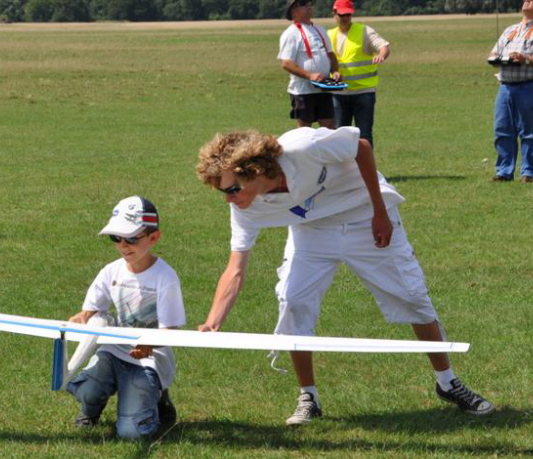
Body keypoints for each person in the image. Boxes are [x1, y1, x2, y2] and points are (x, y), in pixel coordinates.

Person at [195, 127, 493, 425]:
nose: (229, 199)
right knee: (293, 301)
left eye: (232, 189)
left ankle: (447, 382)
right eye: (222, 192)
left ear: (255, 170)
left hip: (366, 215)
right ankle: (308, 396)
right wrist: (212, 323)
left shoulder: (303, 147)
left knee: (412, 298)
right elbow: (235, 268)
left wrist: (380, 211)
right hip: (313, 231)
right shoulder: (246, 209)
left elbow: (361, 147)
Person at [66, 196, 186, 439]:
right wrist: (80, 319)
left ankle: (159, 398)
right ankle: (91, 409)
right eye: (116, 238)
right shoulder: (111, 270)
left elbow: (171, 331)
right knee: (87, 389)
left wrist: (148, 345)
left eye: (131, 238)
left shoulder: (166, 277)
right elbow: (89, 311)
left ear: (153, 238)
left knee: (131, 433)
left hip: (149, 358)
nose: (123, 245)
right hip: (113, 351)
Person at [488, 0, 533, 183]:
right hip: (505, 85)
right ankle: (504, 171)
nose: (527, 1)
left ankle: (528, 172)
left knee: (528, 131)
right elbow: (494, 52)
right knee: (502, 130)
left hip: (529, 85)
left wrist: (525, 59)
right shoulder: (510, 30)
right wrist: (497, 59)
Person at [327, 0, 389, 148]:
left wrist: (382, 55)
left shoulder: (364, 31)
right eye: (341, 14)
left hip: (363, 92)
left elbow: (383, 46)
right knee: (339, 135)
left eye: (348, 14)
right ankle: (343, 169)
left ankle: (366, 170)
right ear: (334, 14)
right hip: (339, 93)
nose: (345, 18)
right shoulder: (328, 35)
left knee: (364, 134)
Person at [279, 0, 339, 129]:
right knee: (305, 131)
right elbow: (286, 63)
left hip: (323, 87)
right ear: (294, 10)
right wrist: (309, 75)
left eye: (308, 3)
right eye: (303, 3)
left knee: (329, 128)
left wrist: (335, 71)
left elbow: (330, 55)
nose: (309, 6)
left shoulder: (320, 29)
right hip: (303, 91)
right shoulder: (291, 33)